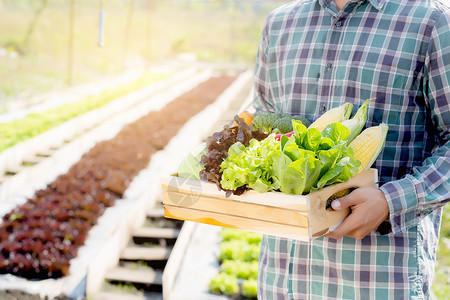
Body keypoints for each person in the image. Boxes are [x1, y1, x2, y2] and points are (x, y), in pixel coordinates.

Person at [253, 0, 450, 298]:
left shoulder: (432, 22)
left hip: (377, 281)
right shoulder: (280, 23)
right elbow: (260, 123)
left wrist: (391, 201)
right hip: (282, 279)